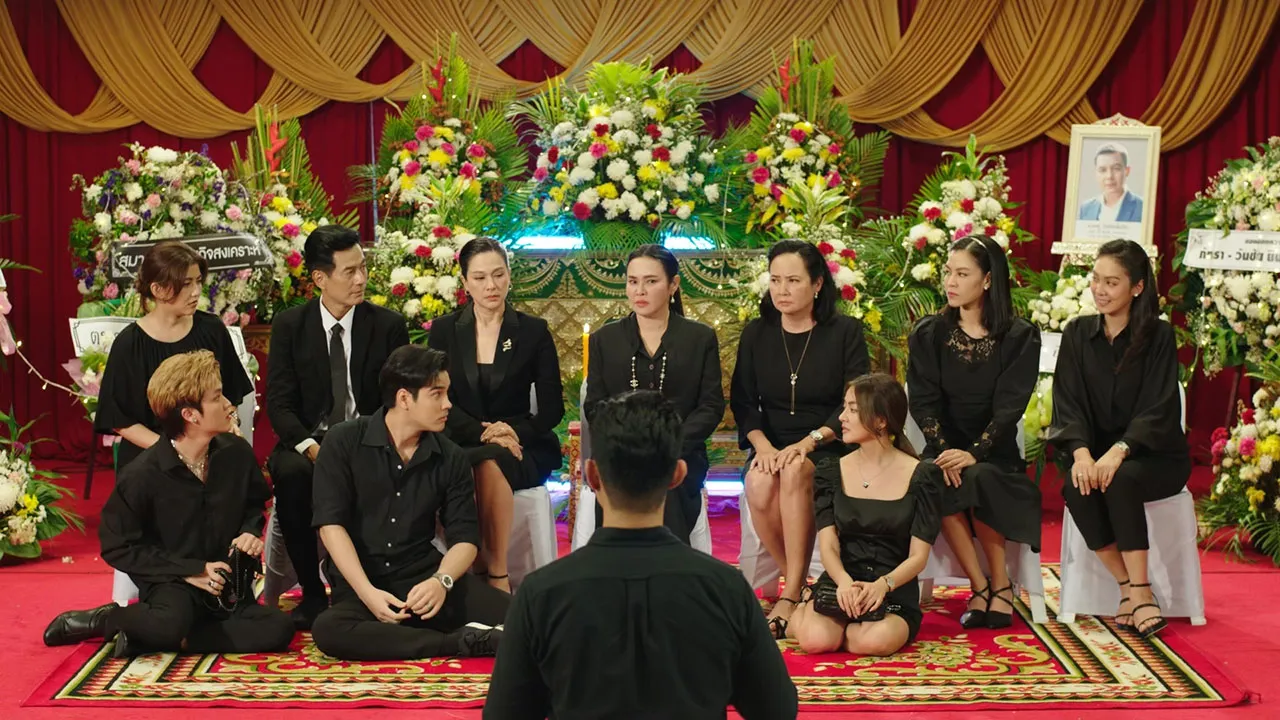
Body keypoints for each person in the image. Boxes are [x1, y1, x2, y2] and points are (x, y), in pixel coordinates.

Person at [484, 391, 798, 720]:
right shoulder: (726, 588)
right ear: (677, 474)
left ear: (592, 475)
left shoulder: (541, 593)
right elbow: (777, 709)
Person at [43, 351, 293, 657]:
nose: (229, 404)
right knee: (171, 621)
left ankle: (172, 639)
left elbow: (255, 504)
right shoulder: (142, 475)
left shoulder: (236, 453)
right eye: (217, 397)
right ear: (190, 415)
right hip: (173, 584)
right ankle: (109, 619)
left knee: (279, 628)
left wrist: (249, 532)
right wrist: (192, 570)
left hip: (228, 584)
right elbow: (118, 546)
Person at [308, 345, 510, 661]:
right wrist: (367, 593)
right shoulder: (343, 440)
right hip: (362, 583)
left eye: (447, 393)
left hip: (424, 578)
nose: (448, 404)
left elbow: (465, 539)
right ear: (404, 398)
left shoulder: (451, 456)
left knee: (524, 616)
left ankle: (416, 634)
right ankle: (455, 642)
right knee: (329, 630)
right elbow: (330, 526)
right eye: (437, 394)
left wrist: (441, 582)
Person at [266, 224, 410, 629]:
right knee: (291, 473)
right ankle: (312, 592)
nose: (361, 279)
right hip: (309, 441)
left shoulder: (387, 325)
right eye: (349, 271)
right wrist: (311, 447)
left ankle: (364, 586)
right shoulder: (290, 326)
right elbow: (279, 404)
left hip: (370, 437)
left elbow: (398, 398)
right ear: (319, 278)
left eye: (363, 267)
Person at [1048, 239, 1189, 639]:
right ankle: (1127, 587)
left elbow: (1158, 408)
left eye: (1111, 282)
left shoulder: (1159, 336)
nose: (1100, 290)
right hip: (1094, 453)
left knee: (1121, 480)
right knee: (1077, 487)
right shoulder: (1077, 333)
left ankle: (1141, 592)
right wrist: (1081, 454)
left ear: (1137, 287)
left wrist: (1120, 450)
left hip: (1154, 455)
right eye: (1096, 279)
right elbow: (1067, 402)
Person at [731, 239, 870, 636]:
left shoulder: (844, 332)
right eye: (775, 280)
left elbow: (855, 399)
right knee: (758, 481)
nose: (782, 290)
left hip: (828, 440)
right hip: (771, 442)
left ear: (817, 284)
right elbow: (743, 401)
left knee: (794, 471)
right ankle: (801, 585)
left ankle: (790, 593)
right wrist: (762, 447)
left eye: (793, 281)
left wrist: (809, 442)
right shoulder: (757, 334)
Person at [906, 235, 1041, 629]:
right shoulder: (929, 333)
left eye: (962, 274)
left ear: (987, 280)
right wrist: (945, 450)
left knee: (979, 476)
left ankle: (1001, 585)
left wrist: (974, 453)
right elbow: (922, 401)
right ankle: (980, 586)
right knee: (935, 476)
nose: (950, 281)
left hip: (994, 453)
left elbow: (1010, 407)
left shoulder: (1019, 336)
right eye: (948, 272)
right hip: (944, 447)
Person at [428, 238, 564, 593]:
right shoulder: (444, 330)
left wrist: (511, 432)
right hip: (461, 438)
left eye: (498, 274)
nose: (491, 285)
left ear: (509, 276)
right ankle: (473, 570)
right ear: (465, 282)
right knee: (479, 458)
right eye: (480, 277)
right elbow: (437, 397)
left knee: (489, 461)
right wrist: (483, 432)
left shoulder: (533, 331)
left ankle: (495, 573)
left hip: (522, 444)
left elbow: (552, 409)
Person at [785, 374, 942, 656]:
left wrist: (883, 585)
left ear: (881, 420)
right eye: (844, 407)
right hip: (840, 582)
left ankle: (838, 625)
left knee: (871, 642)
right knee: (816, 641)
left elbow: (918, 557)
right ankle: (810, 610)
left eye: (853, 409)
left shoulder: (922, 475)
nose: (841, 417)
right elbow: (829, 545)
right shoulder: (831, 471)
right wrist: (844, 582)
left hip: (891, 588)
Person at [583, 244, 725, 545]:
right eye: (632, 281)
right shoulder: (605, 339)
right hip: (620, 451)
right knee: (623, 476)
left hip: (679, 452)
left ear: (673, 285)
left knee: (664, 478)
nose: (640, 291)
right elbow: (595, 406)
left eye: (651, 281)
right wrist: (629, 443)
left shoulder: (699, 338)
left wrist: (668, 445)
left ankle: (668, 569)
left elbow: (710, 406)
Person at [95, 240, 253, 471]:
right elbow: (121, 420)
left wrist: (226, 428)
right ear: (157, 289)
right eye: (186, 284)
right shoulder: (129, 344)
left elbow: (231, 395)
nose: (196, 291)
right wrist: (176, 452)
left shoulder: (212, 329)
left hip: (209, 450)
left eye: (198, 281)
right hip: (150, 456)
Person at [1078, 143, 1144, 223]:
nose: (1109, 176)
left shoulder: (1142, 207)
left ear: (1127, 171)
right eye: (1102, 170)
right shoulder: (1086, 209)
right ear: (1096, 173)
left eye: (1116, 168)